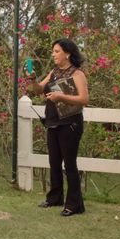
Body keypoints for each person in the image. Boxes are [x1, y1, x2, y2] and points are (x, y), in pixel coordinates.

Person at [29, 38, 89, 217]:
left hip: (70, 123)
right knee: (54, 162)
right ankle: (54, 197)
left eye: (56, 51)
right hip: (53, 121)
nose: (53, 54)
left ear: (67, 54)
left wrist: (61, 97)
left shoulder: (77, 74)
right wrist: (32, 79)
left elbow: (84, 99)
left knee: (69, 164)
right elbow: (38, 90)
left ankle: (74, 204)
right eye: (53, 51)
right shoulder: (54, 72)